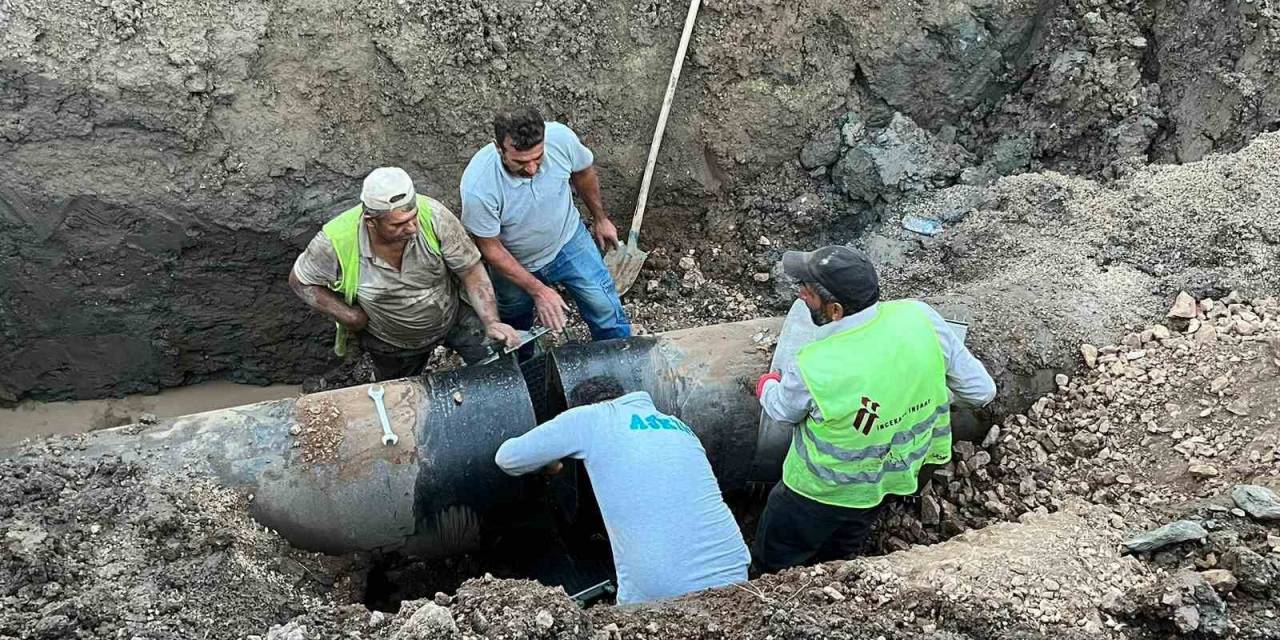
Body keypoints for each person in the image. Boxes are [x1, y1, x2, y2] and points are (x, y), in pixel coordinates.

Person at [752, 245, 996, 572]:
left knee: (778, 555)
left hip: (818, 491)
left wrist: (766, 384)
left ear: (835, 309)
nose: (800, 296)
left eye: (807, 292)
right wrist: (923, 397)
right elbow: (982, 391)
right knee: (844, 549)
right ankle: (836, 576)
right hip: (892, 477)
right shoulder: (920, 317)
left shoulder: (815, 364)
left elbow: (783, 411)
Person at [494, 376, 749, 604]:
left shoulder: (591, 416)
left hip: (662, 589)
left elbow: (508, 458)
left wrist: (548, 461)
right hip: (735, 572)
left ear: (585, 405)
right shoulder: (680, 427)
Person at [290, 167, 520, 380]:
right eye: (398, 224)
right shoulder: (336, 241)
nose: (412, 228)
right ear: (371, 221)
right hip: (392, 341)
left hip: (453, 316)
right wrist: (351, 316)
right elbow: (301, 281)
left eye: (413, 218)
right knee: (401, 402)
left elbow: (471, 271)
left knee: (496, 369)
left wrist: (491, 321)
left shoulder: (434, 217)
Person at [460, 105, 632, 341]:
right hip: (515, 260)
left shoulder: (561, 139)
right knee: (516, 329)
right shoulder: (479, 185)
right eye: (520, 162)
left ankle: (621, 356)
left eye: (538, 158)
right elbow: (490, 247)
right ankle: (526, 369)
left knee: (604, 307)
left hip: (568, 241)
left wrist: (600, 219)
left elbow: (584, 173)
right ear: (498, 148)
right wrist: (538, 291)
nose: (531, 169)